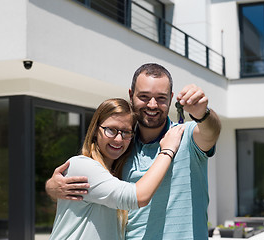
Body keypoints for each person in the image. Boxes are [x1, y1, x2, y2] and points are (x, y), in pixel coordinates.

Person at [46, 63, 221, 239]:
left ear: (170, 98)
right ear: (131, 95)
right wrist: (52, 187)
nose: (152, 105)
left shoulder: (184, 135)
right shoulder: (121, 147)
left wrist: (203, 113)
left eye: (161, 98)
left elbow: (211, 131)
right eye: (144, 96)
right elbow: (107, 185)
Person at [48, 98, 185, 240]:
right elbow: (138, 197)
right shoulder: (82, 166)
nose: (118, 139)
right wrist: (167, 151)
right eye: (111, 130)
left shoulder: (116, 175)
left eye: (126, 132)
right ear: (95, 130)